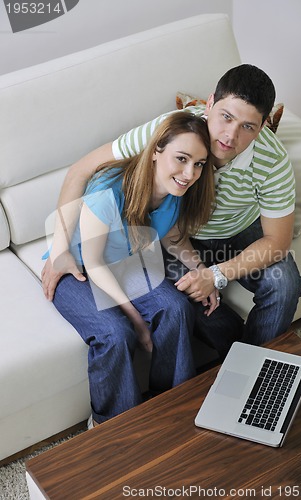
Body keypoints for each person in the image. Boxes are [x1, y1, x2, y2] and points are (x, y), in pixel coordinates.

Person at [42, 64, 301, 359]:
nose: (230, 136)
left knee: (285, 282)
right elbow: (81, 170)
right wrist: (59, 249)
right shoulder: (172, 130)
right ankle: (227, 364)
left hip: (239, 230)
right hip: (178, 235)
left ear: (262, 127)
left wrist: (216, 275)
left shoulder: (273, 161)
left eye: (248, 127)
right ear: (210, 103)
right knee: (194, 310)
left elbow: (278, 242)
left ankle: (256, 370)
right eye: (226, 117)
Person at [51, 112, 216, 427]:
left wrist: (202, 271)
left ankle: (172, 404)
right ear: (156, 152)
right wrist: (138, 322)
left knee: (177, 307)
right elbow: (95, 263)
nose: (189, 173)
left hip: (124, 265)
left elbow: (171, 235)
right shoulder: (108, 191)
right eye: (181, 159)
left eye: (198, 164)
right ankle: (112, 426)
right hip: (79, 269)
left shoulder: (175, 189)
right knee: (116, 333)